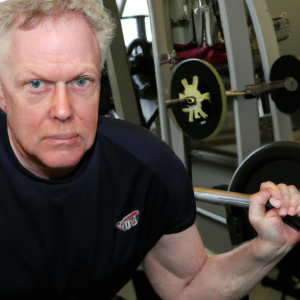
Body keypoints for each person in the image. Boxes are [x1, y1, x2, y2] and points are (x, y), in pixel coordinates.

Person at [0, 0, 299, 299]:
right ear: (2, 95)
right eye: (36, 84)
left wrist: (268, 248)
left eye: (81, 81)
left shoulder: (150, 168)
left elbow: (187, 286)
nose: (63, 110)